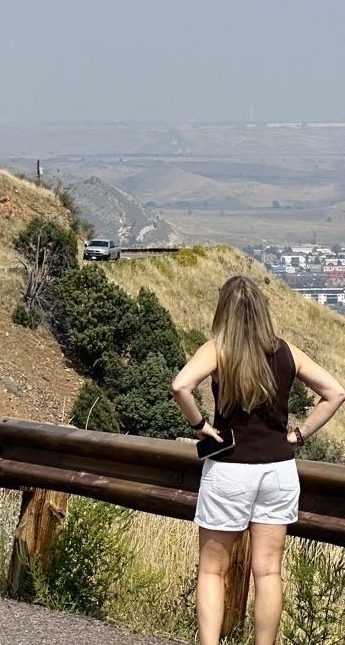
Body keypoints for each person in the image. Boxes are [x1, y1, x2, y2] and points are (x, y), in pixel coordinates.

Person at [172, 274, 345, 645]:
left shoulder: (218, 349)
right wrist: (298, 435)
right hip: (279, 471)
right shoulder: (286, 351)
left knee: (213, 572)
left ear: (224, 311)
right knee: (268, 573)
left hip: (231, 470)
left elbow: (180, 386)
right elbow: (335, 392)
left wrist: (200, 424)